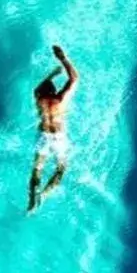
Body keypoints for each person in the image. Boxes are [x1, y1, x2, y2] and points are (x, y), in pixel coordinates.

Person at [28, 43, 78, 212]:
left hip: (43, 136)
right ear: (55, 90)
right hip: (58, 137)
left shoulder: (39, 99)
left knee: (36, 169)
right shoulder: (61, 100)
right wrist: (63, 58)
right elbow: (74, 78)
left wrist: (52, 74)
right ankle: (45, 194)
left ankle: (31, 202)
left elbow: (38, 87)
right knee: (61, 168)